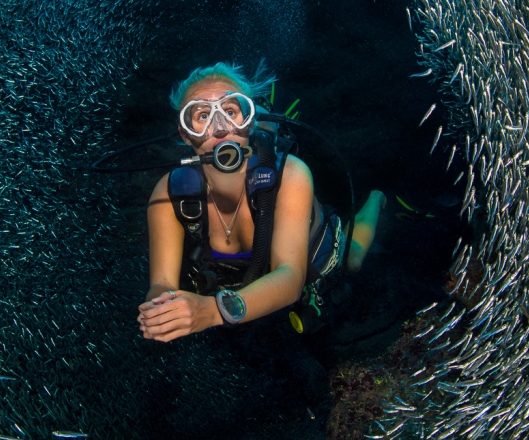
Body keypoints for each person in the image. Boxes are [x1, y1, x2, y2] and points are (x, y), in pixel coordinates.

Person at [138, 63, 386, 343]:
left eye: (231, 112)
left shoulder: (291, 174)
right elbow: (161, 284)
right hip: (246, 287)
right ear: (185, 134)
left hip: (311, 256)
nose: (220, 128)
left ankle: (378, 197)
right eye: (202, 115)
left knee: (353, 260)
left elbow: (290, 277)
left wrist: (211, 311)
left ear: (248, 121)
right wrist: (161, 309)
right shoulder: (168, 194)